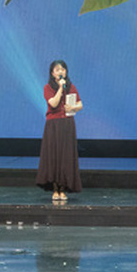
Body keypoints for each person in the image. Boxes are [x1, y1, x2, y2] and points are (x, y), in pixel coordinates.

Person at [36, 60, 83, 201]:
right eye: (57, 70)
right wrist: (61, 88)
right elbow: (54, 103)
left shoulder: (71, 87)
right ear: (52, 73)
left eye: (63, 69)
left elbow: (80, 104)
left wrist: (73, 108)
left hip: (67, 124)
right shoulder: (47, 88)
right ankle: (55, 189)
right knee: (54, 155)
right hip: (53, 125)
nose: (61, 72)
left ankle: (63, 189)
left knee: (66, 156)